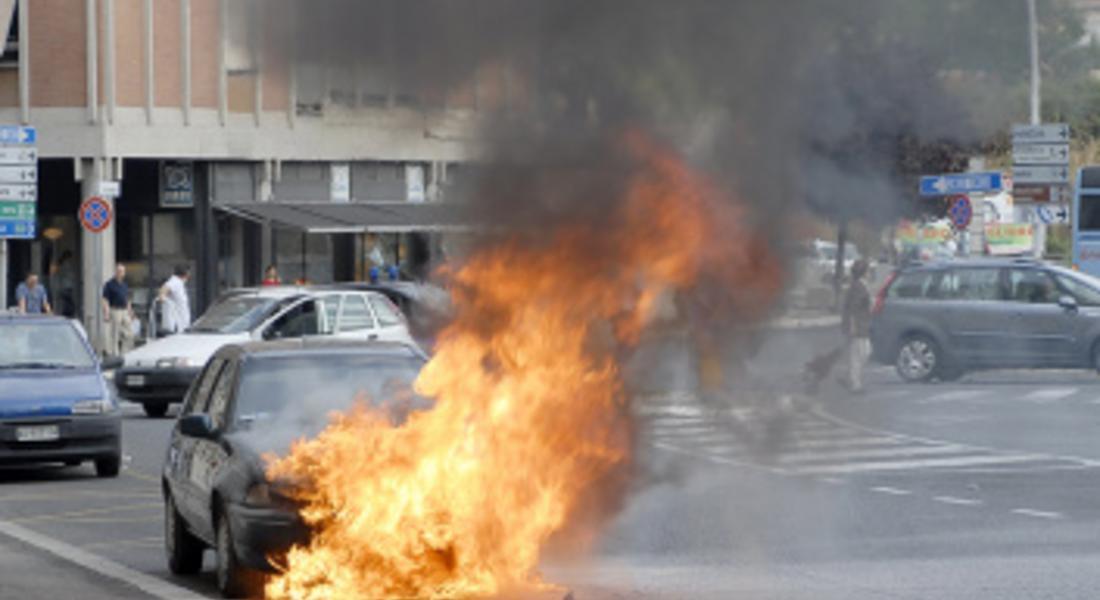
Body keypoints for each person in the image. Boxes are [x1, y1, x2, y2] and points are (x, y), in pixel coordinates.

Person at [841, 259, 872, 393]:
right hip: (858, 325)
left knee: (862, 353)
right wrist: (852, 326)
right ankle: (854, 384)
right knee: (859, 354)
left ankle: (852, 380)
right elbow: (853, 308)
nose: (870, 273)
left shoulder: (860, 285)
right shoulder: (858, 286)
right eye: (868, 270)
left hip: (862, 325)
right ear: (864, 272)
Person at [101, 264, 135, 357]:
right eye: (119, 271)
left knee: (129, 333)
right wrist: (106, 313)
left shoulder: (125, 285)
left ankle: (125, 353)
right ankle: (115, 354)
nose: (121, 273)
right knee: (115, 333)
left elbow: (127, 299)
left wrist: (130, 311)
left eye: (122, 271)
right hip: (115, 310)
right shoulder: (109, 284)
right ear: (115, 272)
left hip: (124, 311)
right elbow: (105, 299)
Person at [158, 264, 192, 335]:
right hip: (175, 327)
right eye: (189, 273)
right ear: (186, 274)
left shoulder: (179, 283)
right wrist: (163, 297)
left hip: (181, 327)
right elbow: (164, 289)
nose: (190, 275)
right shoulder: (175, 282)